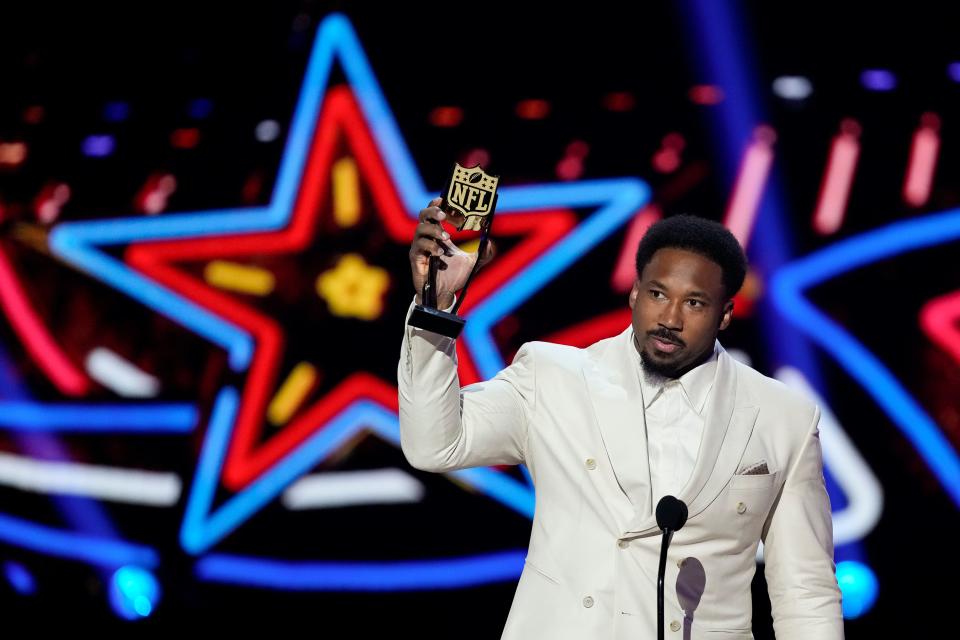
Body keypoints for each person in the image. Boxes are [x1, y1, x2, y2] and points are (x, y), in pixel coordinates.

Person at [398, 201, 844, 640]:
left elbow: (805, 591)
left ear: (725, 313)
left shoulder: (783, 417)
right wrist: (434, 310)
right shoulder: (552, 377)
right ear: (634, 292)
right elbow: (435, 444)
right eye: (657, 294)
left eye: (694, 303)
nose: (669, 318)